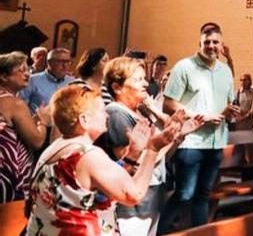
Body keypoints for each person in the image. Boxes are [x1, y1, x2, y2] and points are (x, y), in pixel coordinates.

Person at [27, 86, 178, 236]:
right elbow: (134, 195)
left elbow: (102, 189)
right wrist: (153, 149)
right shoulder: (88, 155)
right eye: (101, 110)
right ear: (84, 120)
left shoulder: (56, 147)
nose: (106, 115)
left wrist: (132, 155)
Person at [98, 57, 204, 236]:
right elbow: (131, 164)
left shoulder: (141, 111)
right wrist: (169, 138)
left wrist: (177, 135)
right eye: (138, 80)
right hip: (132, 198)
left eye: (144, 78)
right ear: (117, 87)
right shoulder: (116, 114)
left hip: (152, 189)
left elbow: (161, 157)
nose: (145, 84)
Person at [159, 25, 239, 233]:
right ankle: (161, 231)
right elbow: (168, 103)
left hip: (216, 142)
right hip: (191, 142)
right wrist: (200, 116)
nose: (211, 46)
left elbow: (227, 103)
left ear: (221, 45)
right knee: (184, 193)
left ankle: (200, 232)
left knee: (204, 194)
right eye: (207, 42)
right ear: (200, 43)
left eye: (215, 42)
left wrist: (230, 112)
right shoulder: (184, 67)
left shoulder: (225, 71)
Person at [0, 51, 50, 202]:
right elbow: (37, 141)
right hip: (7, 176)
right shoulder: (15, 103)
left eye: (27, 69)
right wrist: (43, 121)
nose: (27, 74)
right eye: (21, 70)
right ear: (3, 76)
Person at [19, 48, 74, 112]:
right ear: (49, 62)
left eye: (68, 62)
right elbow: (19, 107)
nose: (65, 65)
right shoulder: (32, 81)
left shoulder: (73, 82)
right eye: (60, 61)